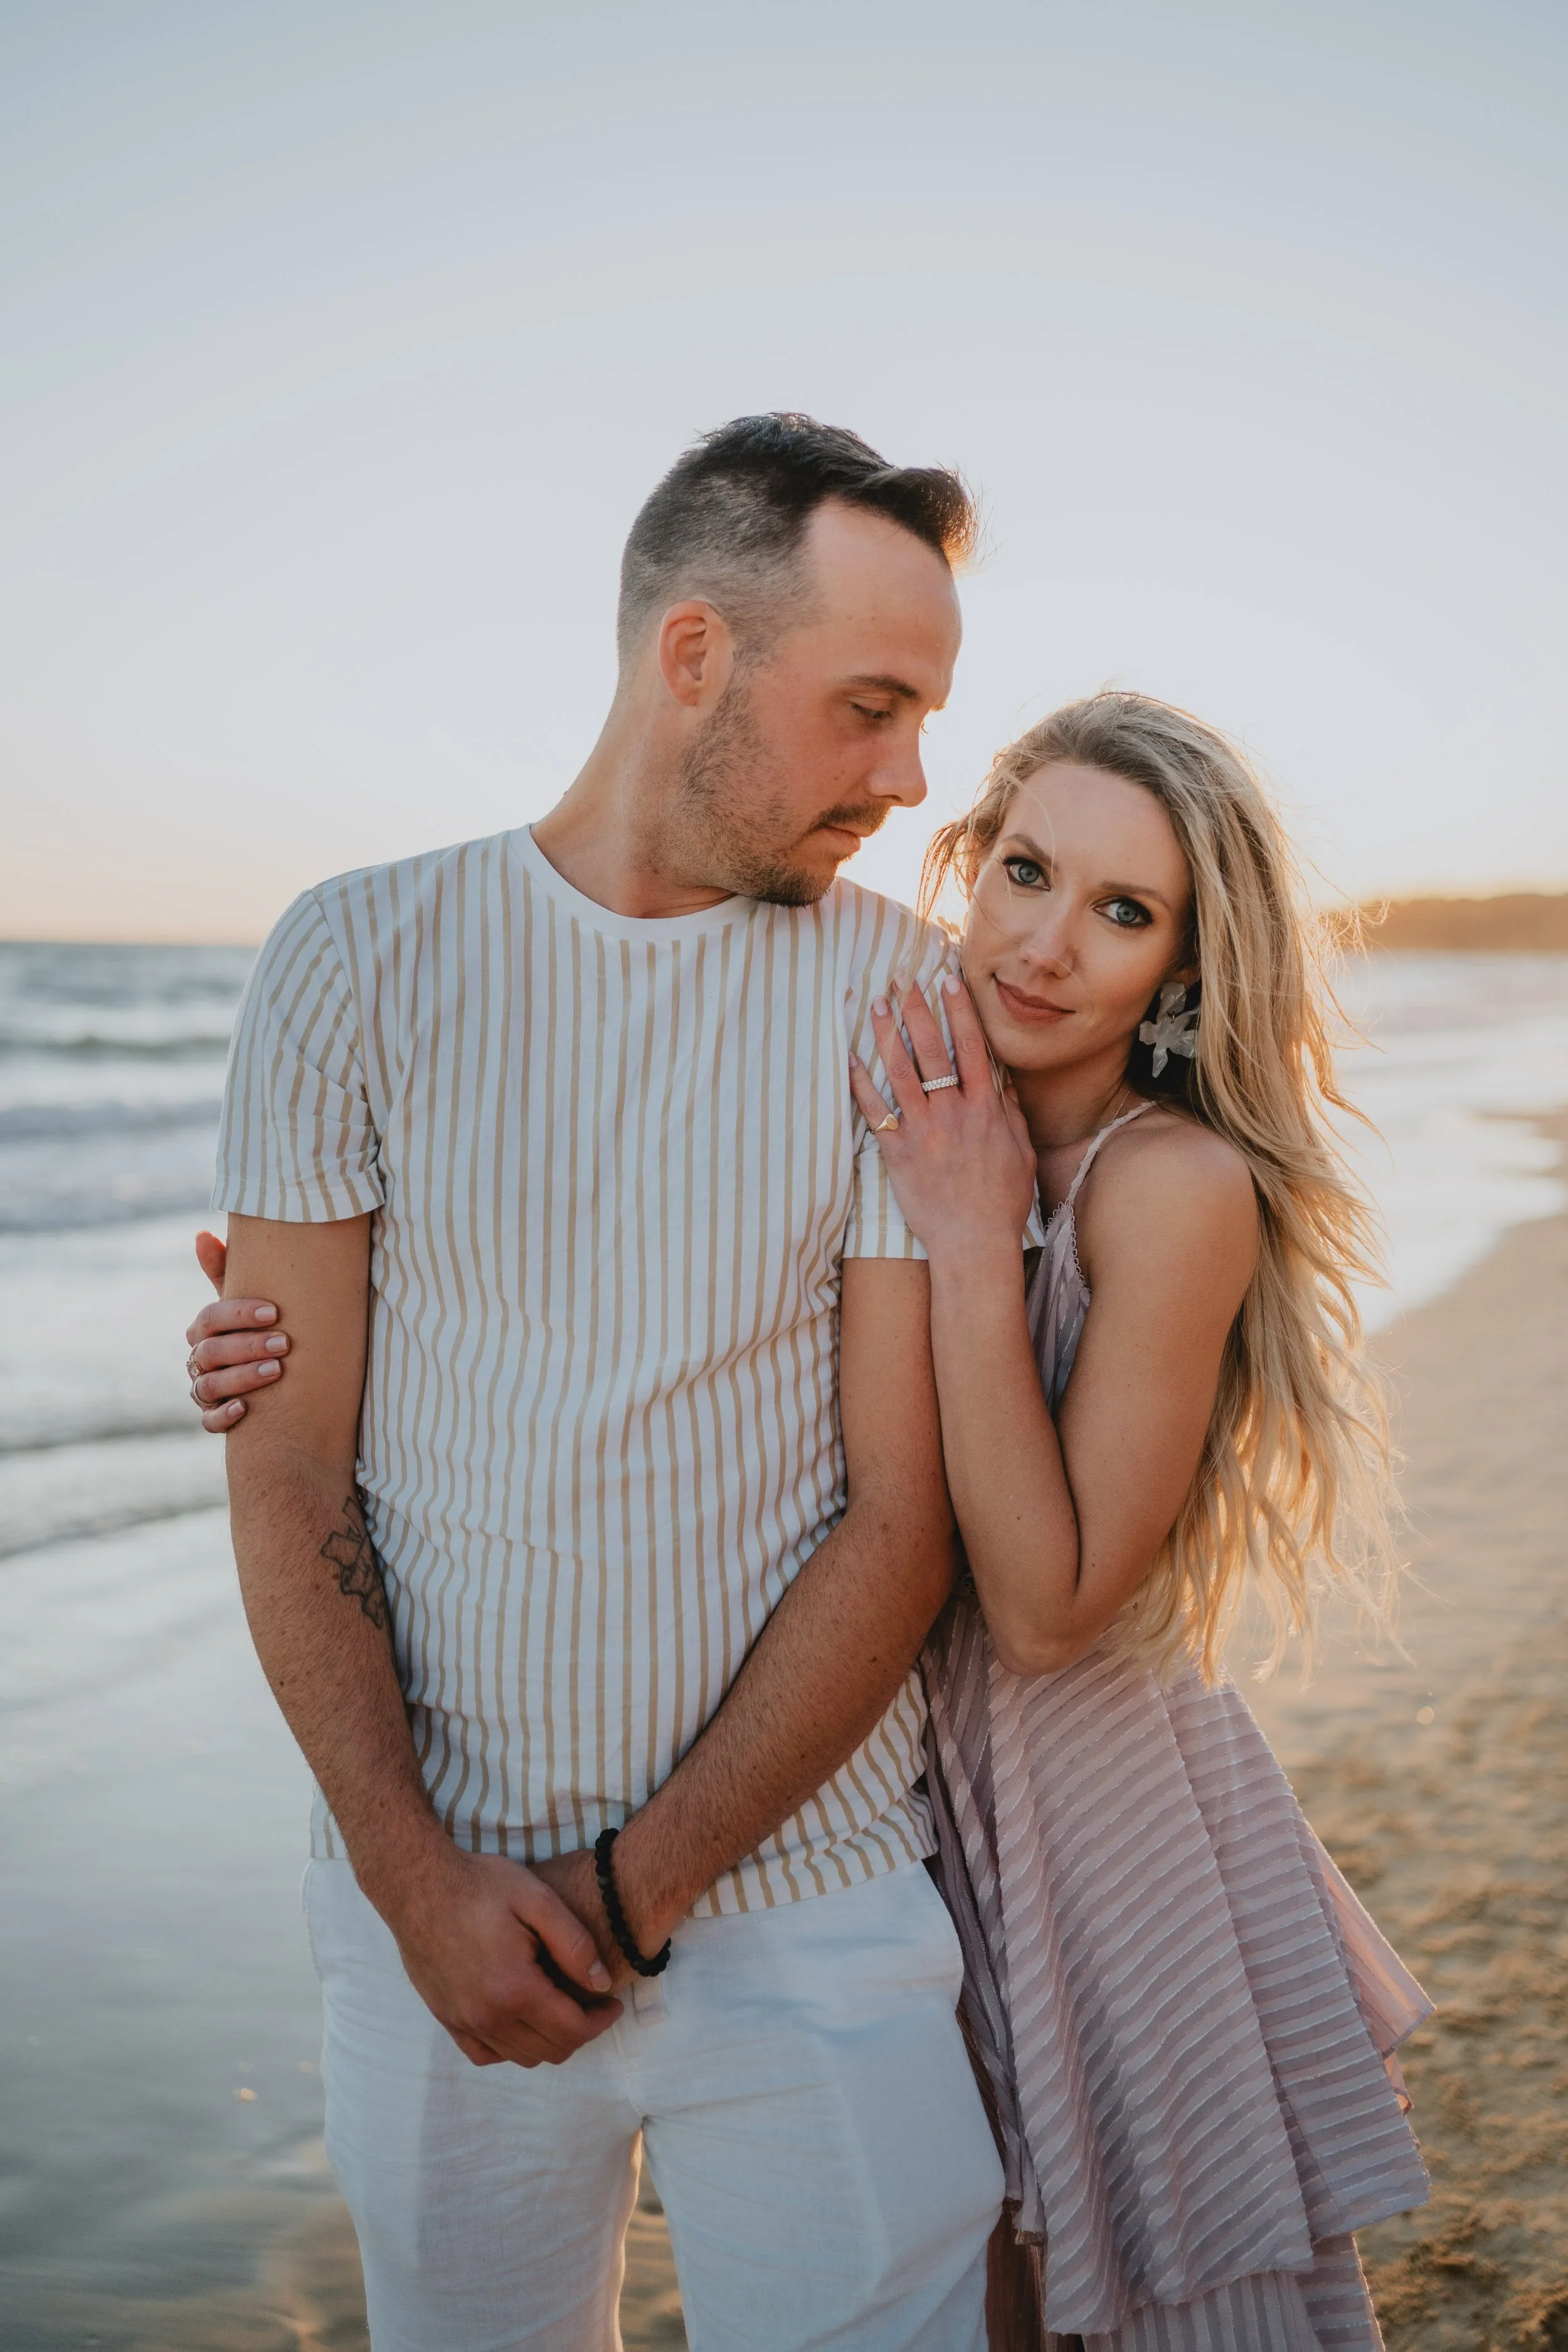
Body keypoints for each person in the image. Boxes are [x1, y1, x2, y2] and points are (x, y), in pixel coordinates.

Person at [181, 414, 1016, 2352]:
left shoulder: (895, 995)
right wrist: (418, 1881)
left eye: (926, 719)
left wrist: (639, 1887)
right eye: (872, 707)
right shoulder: (355, 959)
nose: (910, 779)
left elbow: (901, 1515)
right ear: (696, 656)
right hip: (428, 1916)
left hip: (806, 1907)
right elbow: (291, 1462)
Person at [845, 692, 1430, 2351]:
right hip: (890, 1803)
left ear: (1181, 964)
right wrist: (292, 1342)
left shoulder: (1168, 1184)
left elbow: (1045, 1609)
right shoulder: (893, 1083)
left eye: (1121, 911)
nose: (1042, 945)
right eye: (1023, 871)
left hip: (1096, 1819)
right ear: (965, 862)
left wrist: (970, 1238)